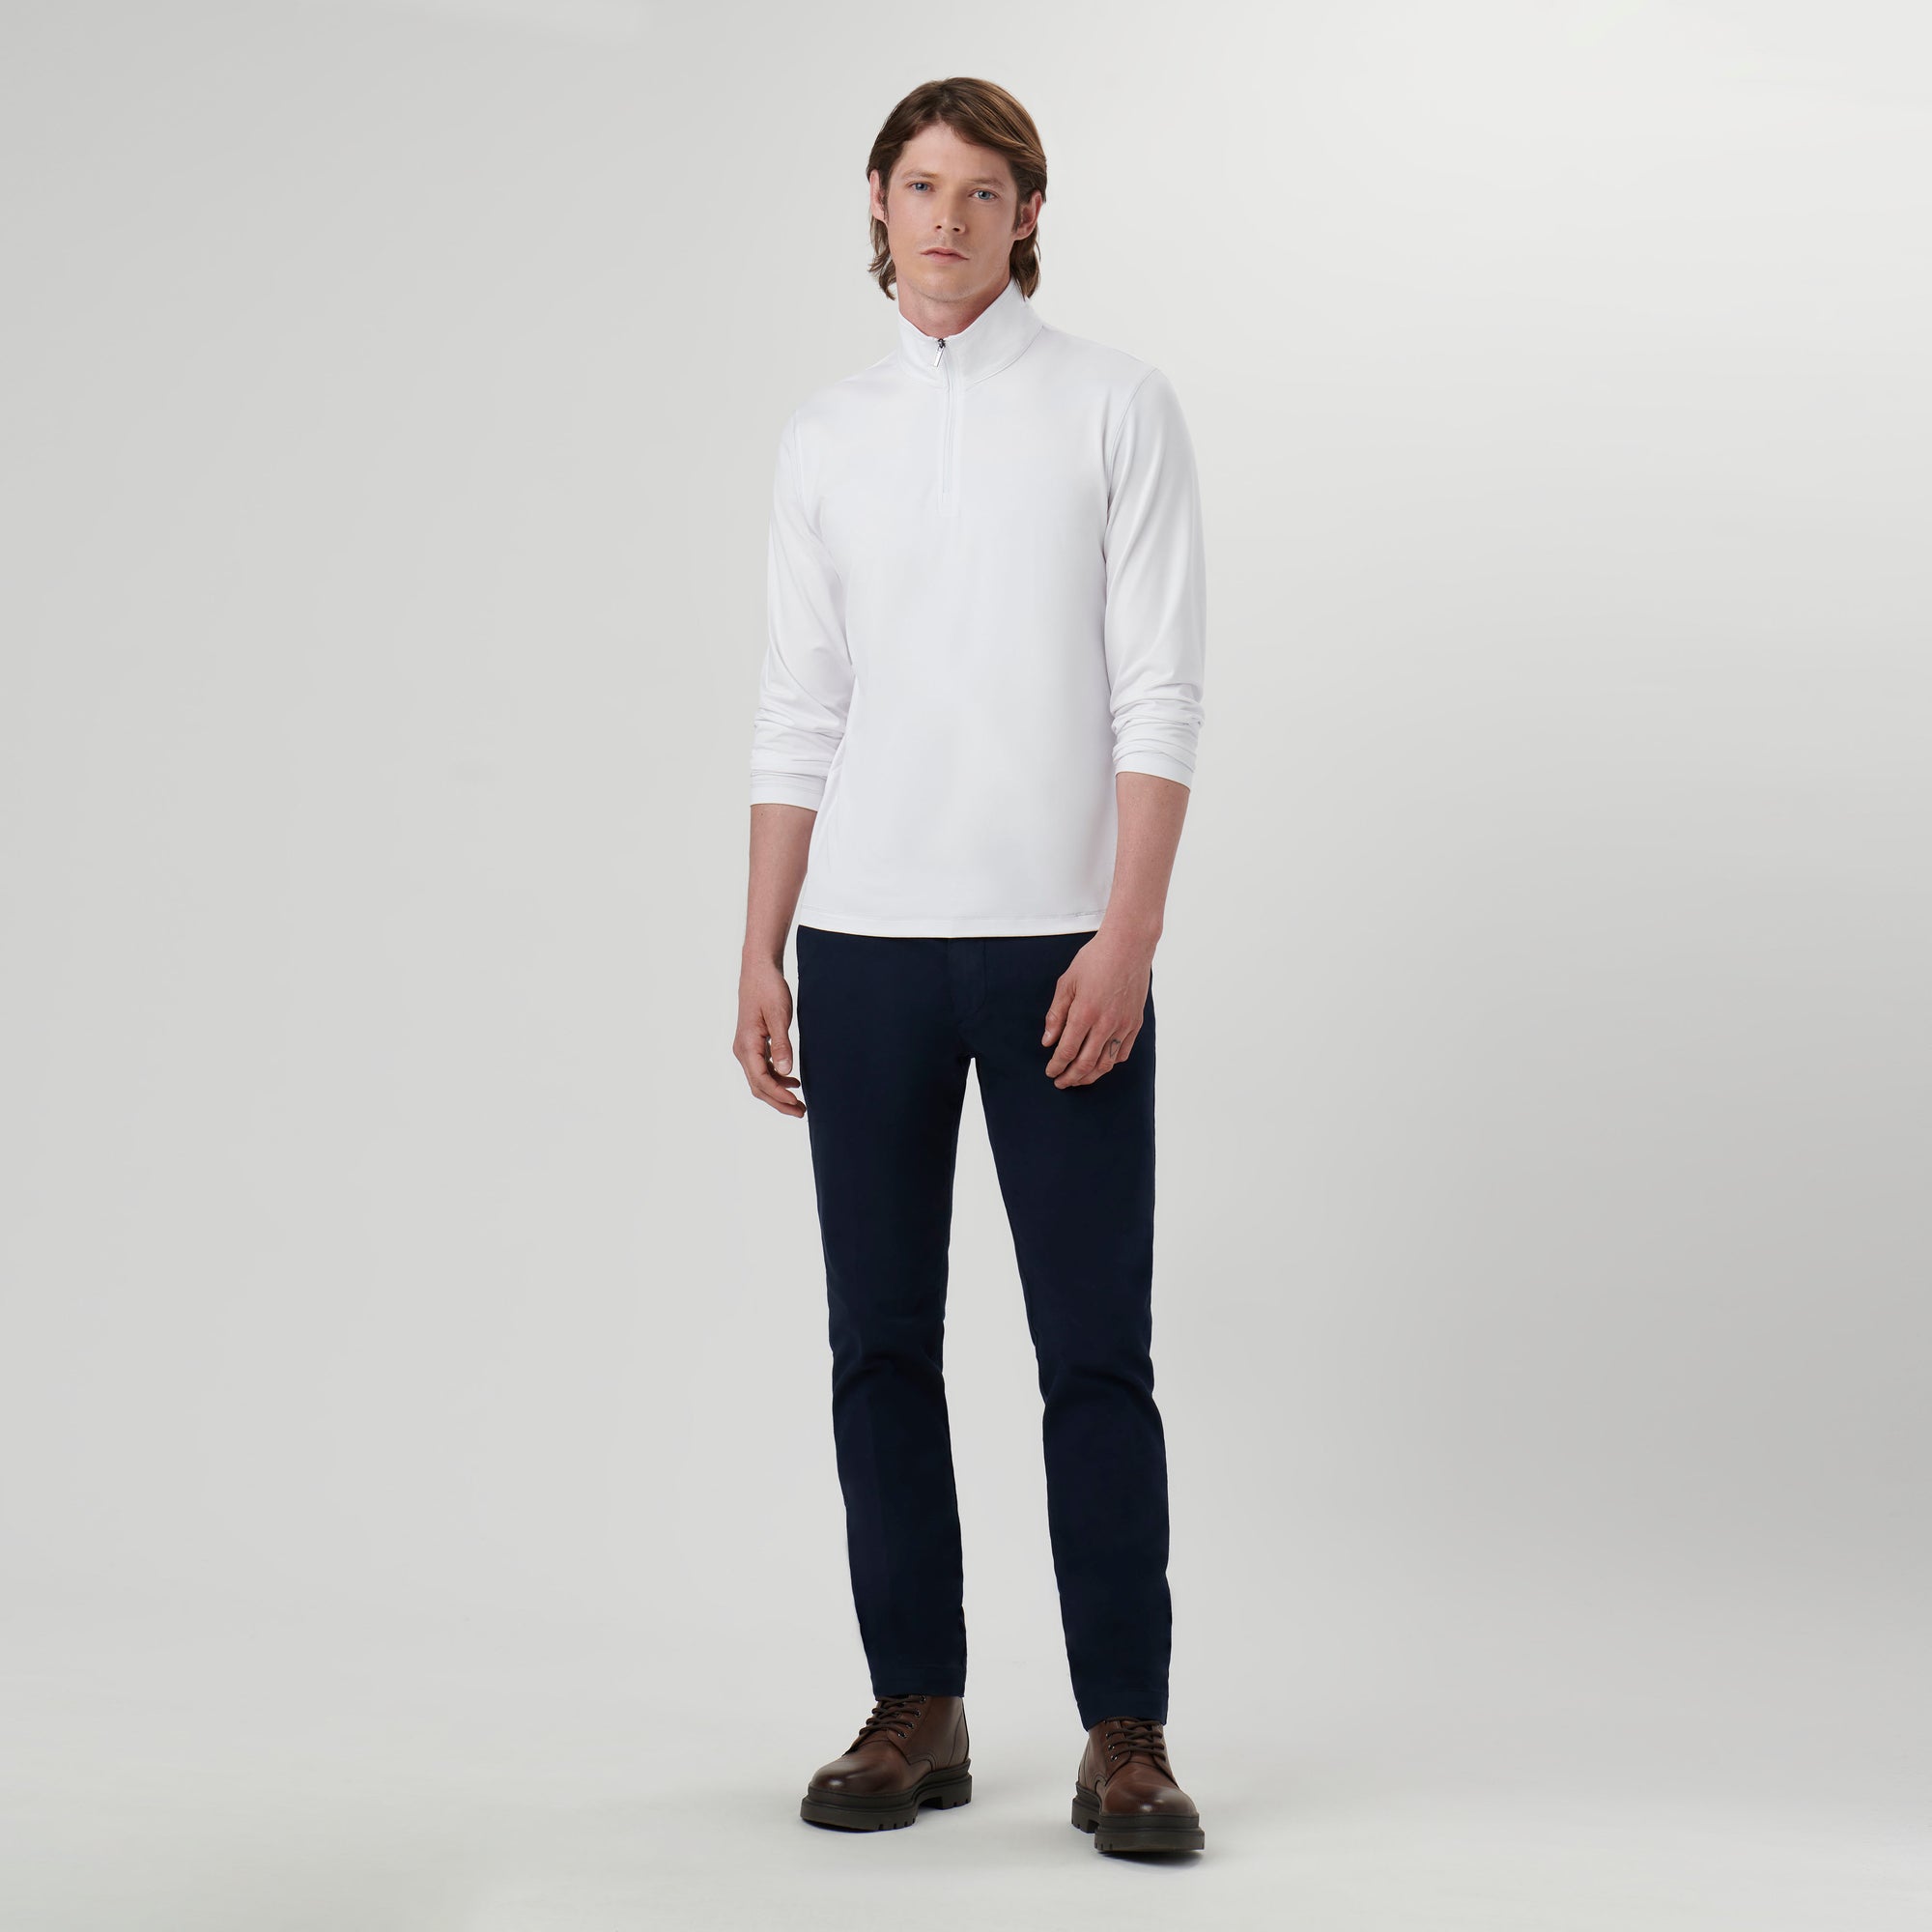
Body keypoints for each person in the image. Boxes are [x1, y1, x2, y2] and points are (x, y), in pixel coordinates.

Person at [734, 75, 1208, 1858]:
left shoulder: (1113, 406)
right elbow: (801, 704)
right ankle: (915, 1706)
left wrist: (1127, 933)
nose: (949, 217)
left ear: (1028, 215)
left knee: (1093, 1349)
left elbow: (1160, 689)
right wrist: (762, 944)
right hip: (863, 946)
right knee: (879, 1342)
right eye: (922, 185)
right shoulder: (828, 436)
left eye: (984, 190)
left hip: (1056, 950)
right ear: (878, 200)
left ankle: (1126, 1732)